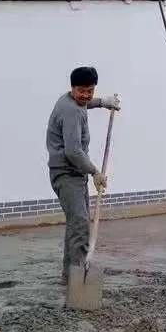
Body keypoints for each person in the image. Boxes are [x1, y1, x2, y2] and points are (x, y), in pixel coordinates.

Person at [46, 66, 120, 285]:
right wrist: (95, 172)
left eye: (90, 91)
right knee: (79, 225)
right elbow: (73, 151)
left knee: (77, 224)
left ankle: (70, 277)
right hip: (67, 174)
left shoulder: (72, 101)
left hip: (74, 173)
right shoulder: (71, 111)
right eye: (82, 91)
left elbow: (85, 103)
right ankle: (78, 280)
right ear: (72, 88)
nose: (86, 95)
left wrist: (102, 102)